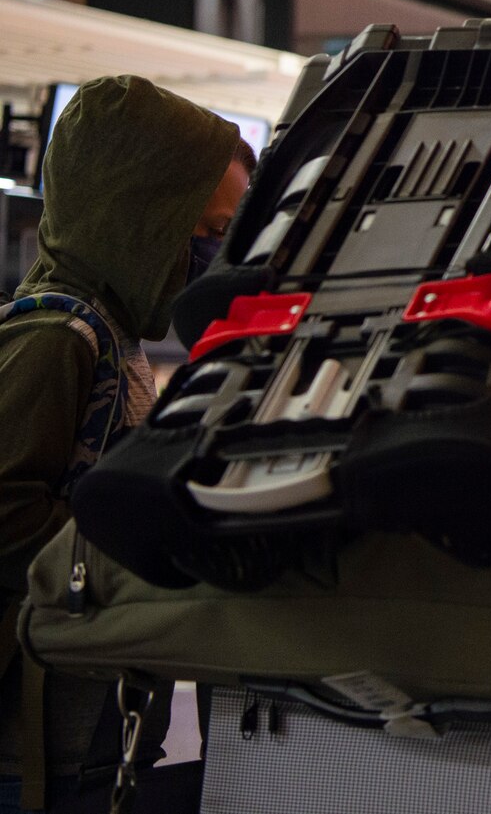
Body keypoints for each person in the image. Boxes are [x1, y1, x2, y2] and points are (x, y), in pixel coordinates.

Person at [0, 78, 251, 814]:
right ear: (139, 218)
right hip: (33, 756)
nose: (215, 254)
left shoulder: (108, 334)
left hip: (75, 741)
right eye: (204, 232)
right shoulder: (57, 338)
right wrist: (143, 545)